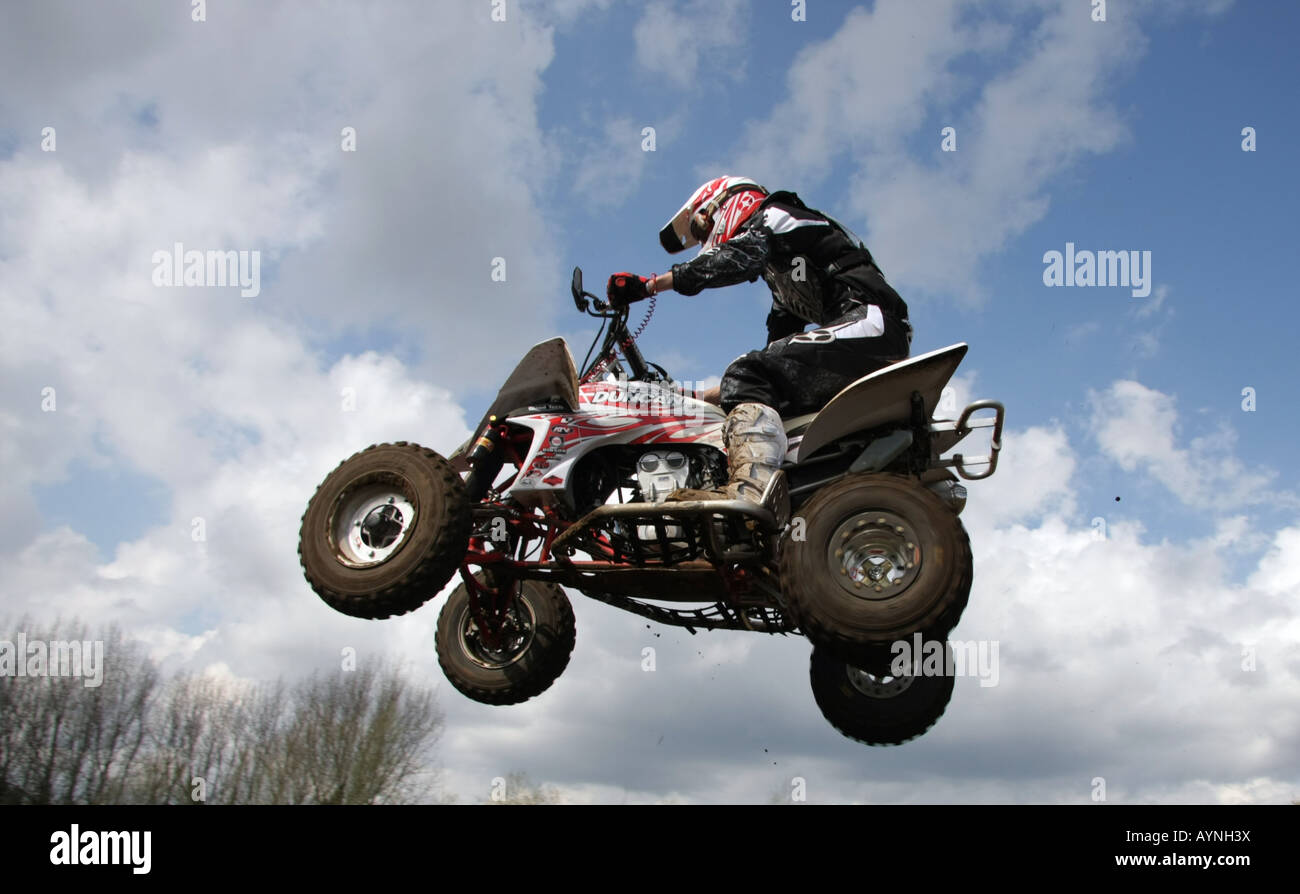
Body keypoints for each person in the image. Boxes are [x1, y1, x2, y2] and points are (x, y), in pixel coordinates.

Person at [606, 175, 912, 504]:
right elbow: (771, 365)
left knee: (746, 369)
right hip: (866, 336)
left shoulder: (779, 214)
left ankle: (750, 492)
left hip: (872, 324)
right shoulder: (786, 281)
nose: (703, 238)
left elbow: (738, 257)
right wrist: (689, 397)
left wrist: (650, 286)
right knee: (755, 377)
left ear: (721, 203)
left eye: (699, 227)